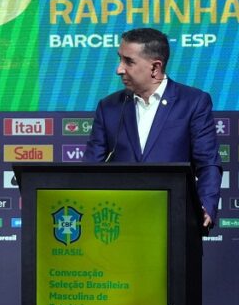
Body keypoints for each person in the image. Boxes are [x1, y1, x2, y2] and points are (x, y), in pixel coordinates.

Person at [84, 27, 221, 227]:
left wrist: (205, 205)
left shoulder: (193, 102)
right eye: (120, 59)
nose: (119, 69)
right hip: (118, 221)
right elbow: (90, 169)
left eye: (128, 61)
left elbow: (208, 162)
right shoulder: (108, 107)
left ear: (155, 67)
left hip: (174, 219)